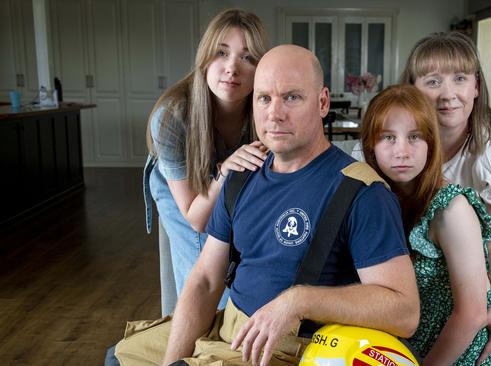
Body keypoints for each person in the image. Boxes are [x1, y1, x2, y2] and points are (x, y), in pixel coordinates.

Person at [115, 45, 420, 366]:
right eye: (264, 98)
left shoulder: (361, 191)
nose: (274, 113)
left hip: (284, 348)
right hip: (225, 328)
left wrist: (298, 301)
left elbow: (404, 311)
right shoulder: (242, 175)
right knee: (119, 357)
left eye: (291, 97)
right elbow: (205, 279)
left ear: (322, 102)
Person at [352, 31, 491, 365]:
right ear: (412, 87)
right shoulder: (391, 150)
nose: (448, 94)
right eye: (433, 81)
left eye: (460, 79)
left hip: (463, 297)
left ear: (477, 86)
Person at [143, 9, 269, 316]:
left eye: (247, 57)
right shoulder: (171, 117)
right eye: (221, 53)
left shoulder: (265, 107)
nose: (231, 68)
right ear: (205, 57)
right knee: (200, 262)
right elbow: (196, 218)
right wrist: (226, 170)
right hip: (186, 195)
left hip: (231, 175)